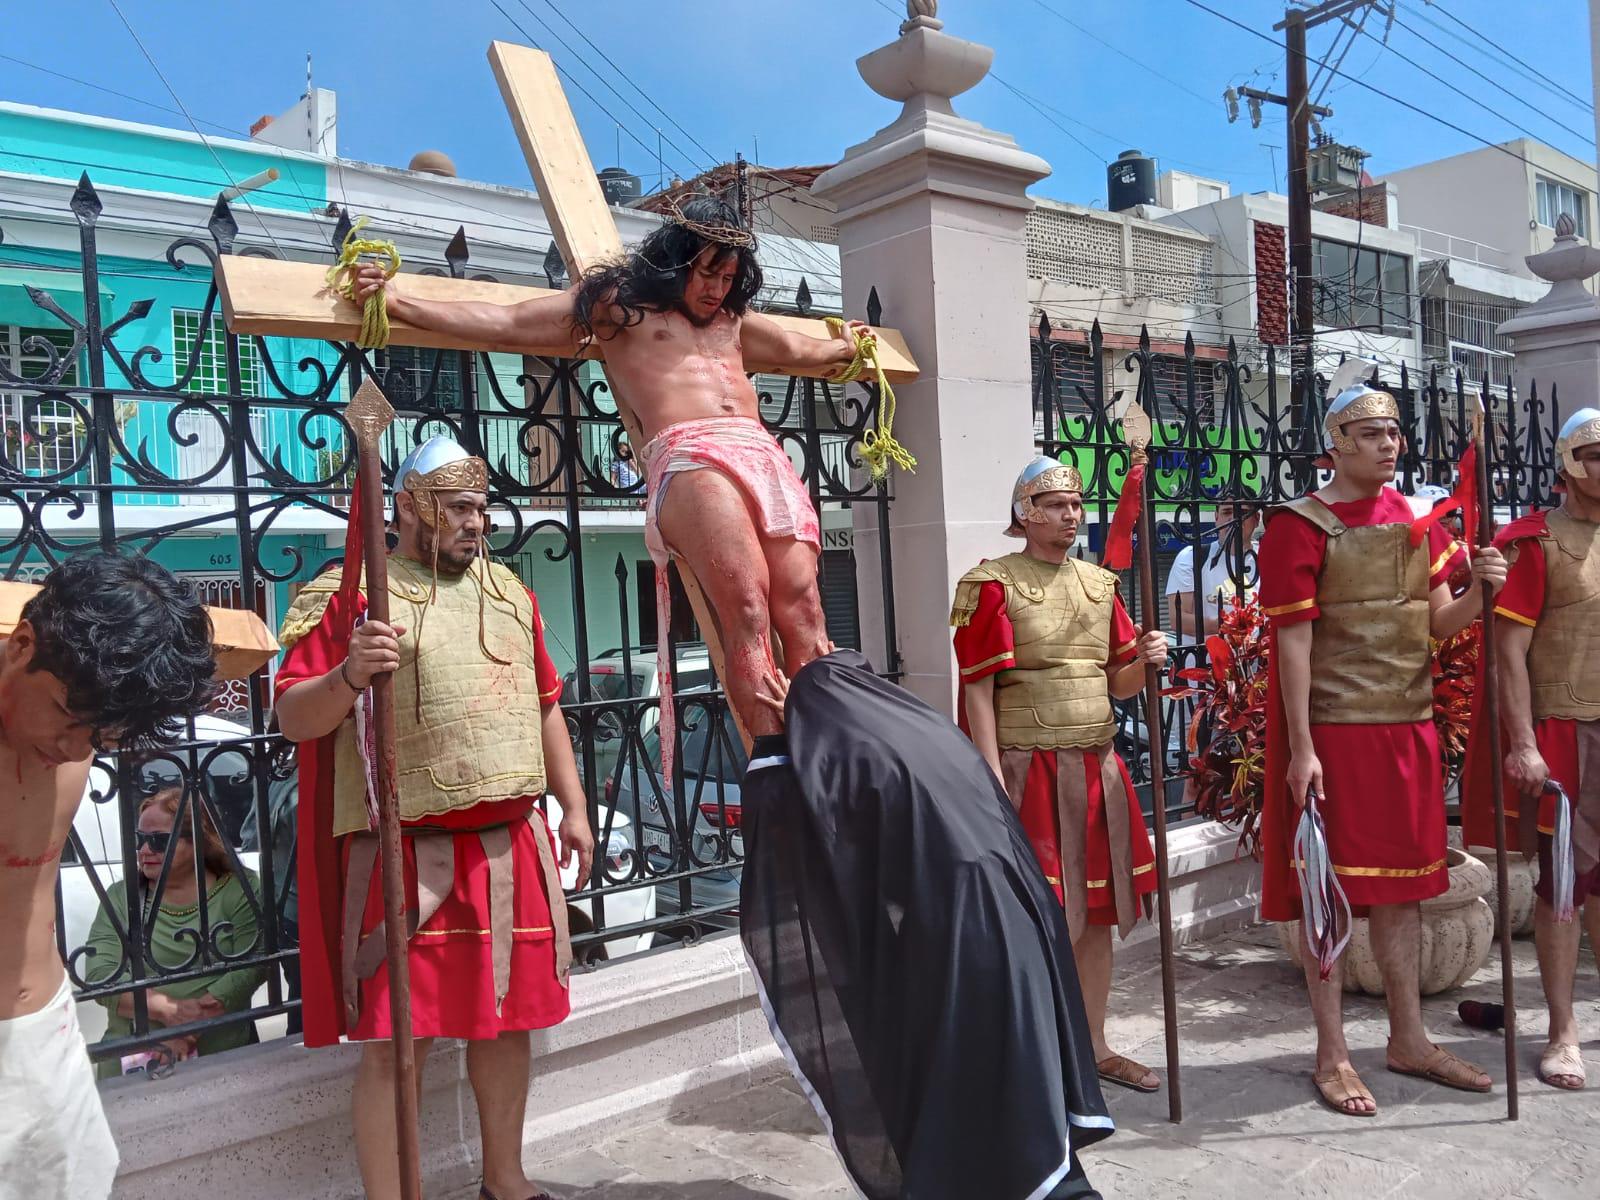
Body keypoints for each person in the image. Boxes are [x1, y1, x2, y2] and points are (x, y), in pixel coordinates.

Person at [351, 197, 860, 753]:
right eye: (708, 272)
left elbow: (802, 350)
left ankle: (835, 750)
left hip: (761, 454)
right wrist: (400, 302)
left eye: (730, 276)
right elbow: (509, 322)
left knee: (805, 609)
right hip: (691, 452)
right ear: (676, 259)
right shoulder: (621, 309)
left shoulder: (731, 322)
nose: (717, 288)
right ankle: (776, 763)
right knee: (747, 608)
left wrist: (848, 347)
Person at [274, 435, 594, 1200]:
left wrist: (575, 806)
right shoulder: (350, 597)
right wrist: (351, 671)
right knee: (391, 1038)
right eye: (458, 508)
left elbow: (545, 707)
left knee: (508, 1020)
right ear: (411, 507)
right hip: (401, 851)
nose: (476, 523)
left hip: (509, 845)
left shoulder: (510, 592)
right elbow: (293, 717)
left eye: (481, 508)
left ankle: (505, 1178)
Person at [739, 650, 1114, 1200]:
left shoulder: (861, 758)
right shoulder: (928, 733)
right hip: (1021, 915)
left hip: (970, 936)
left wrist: (778, 744)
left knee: (992, 1086)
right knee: (1017, 1076)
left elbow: (820, 844)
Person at [1256, 364, 1507, 1118]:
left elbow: (1437, 624)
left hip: (1409, 730)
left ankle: (1408, 1038)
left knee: (1403, 895)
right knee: (1326, 892)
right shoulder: (1298, 525)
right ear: (1336, 443)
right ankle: (1332, 1053)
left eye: (1394, 431)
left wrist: (1481, 591)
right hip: (1334, 735)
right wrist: (1302, 748)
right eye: (1372, 433)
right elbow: (1292, 646)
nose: (1389, 443)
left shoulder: (1418, 519)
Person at [0, 553, 217, 1200]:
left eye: (101, 735)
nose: (75, 748)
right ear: (21, 645)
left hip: (47, 1040)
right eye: (67, 717)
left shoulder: (81, 718)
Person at [952, 457, 1169, 1093]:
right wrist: (990, 775)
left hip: (1095, 766)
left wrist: (1149, 662)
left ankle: (1094, 1044)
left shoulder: (1102, 586)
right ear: (1025, 513)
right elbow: (979, 690)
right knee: (1032, 913)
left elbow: (1119, 682)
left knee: (1096, 912)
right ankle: (1029, 1049)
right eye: (1055, 504)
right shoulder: (990, 584)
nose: (1070, 515)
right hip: (1026, 770)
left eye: (1075, 504)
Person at [1463, 407, 1600, 1091]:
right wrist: (1522, 743)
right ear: (1571, 461)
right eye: (1597, 452)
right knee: (1564, 890)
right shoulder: (1534, 543)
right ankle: (1562, 1029)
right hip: (1564, 733)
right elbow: (1508, 654)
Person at [82, 787, 268, 1078]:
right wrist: (168, 1011)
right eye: (140, 839)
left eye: (158, 841)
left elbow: (254, 964)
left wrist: (188, 1031)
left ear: (198, 841)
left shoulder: (239, 889)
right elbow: (100, 975)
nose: (144, 851)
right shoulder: (121, 897)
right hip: (131, 1065)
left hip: (223, 1061)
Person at [1163, 497, 1261, 639]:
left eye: (1242, 513)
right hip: (1204, 659)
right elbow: (1178, 620)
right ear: (1216, 517)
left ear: (1257, 519)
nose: (1233, 519)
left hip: (1256, 660)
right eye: (1226, 512)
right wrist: (1230, 624)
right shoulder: (1191, 557)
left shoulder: (1268, 558)